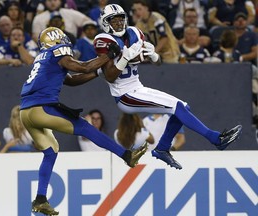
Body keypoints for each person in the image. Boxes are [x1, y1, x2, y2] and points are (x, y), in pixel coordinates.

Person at [93, 4, 242, 170]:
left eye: (121, 19)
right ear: (106, 23)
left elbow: (156, 62)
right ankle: (216, 139)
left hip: (137, 87)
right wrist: (125, 58)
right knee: (177, 107)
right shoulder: (103, 40)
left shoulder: (135, 33)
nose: (119, 24)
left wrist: (153, 55)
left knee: (183, 107)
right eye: (114, 21)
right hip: (124, 95)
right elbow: (110, 76)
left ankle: (163, 148)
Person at [20, 26, 147, 215]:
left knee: (51, 152)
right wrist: (108, 56)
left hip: (25, 113)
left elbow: (71, 80)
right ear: (57, 38)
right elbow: (83, 66)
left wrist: (98, 72)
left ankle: (40, 199)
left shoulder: (43, 57)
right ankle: (127, 156)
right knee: (85, 127)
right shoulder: (58, 51)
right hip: (42, 108)